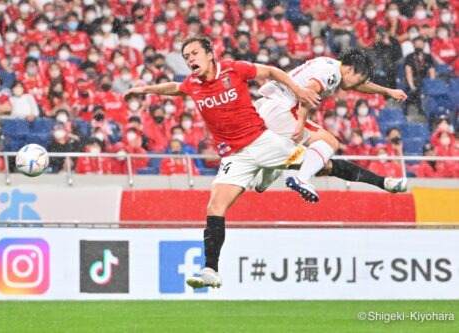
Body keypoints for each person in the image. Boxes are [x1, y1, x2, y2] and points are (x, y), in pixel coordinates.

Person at [124, 36, 320, 289]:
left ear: (210, 54)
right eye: (186, 57)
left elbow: (270, 70)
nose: (190, 59)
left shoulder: (233, 69)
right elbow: (175, 87)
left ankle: (383, 181)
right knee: (214, 207)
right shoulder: (192, 83)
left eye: (194, 53)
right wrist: (146, 89)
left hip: (260, 139)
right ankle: (210, 270)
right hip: (234, 155)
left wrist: (298, 90)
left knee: (322, 161)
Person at [254, 49, 408, 203]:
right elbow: (308, 90)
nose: (360, 84)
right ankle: (302, 179)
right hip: (282, 110)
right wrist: (301, 123)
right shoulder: (331, 73)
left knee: (316, 160)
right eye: (359, 79)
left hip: (272, 106)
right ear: (349, 70)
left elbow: (356, 85)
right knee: (330, 143)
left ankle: (266, 177)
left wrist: (387, 91)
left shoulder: (332, 66)